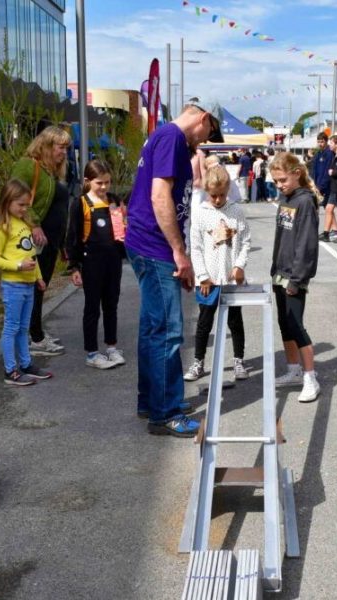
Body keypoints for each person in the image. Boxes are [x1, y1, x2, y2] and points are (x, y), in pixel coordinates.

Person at [125, 100, 222, 437]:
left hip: (149, 244)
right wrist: (179, 253)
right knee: (167, 329)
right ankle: (165, 412)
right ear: (203, 119)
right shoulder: (171, 137)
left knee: (154, 327)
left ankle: (152, 401)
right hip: (154, 246)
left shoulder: (168, 138)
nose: (205, 141)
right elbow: (159, 197)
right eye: (209, 132)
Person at [184, 165, 252, 382]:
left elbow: (246, 241)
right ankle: (198, 362)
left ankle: (239, 360)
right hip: (208, 280)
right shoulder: (201, 212)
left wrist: (239, 265)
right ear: (206, 191)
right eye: (213, 195)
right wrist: (202, 275)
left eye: (221, 195)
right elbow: (195, 247)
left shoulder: (237, 211)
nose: (217, 199)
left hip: (231, 278)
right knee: (204, 321)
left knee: (235, 321)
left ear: (228, 189)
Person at [11, 125, 72, 357]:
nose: (64, 152)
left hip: (48, 242)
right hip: (33, 240)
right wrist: (34, 223)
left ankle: (35, 331)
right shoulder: (29, 165)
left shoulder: (49, 171)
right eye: (60, 147)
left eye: (66, 148)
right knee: (33, 287)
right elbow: (14, 195)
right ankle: (33, 337)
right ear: (46, 146)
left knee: (39, 286)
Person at [0, 179, 52, 386]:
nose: (24, 209)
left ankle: (26, 363)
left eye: (27, 205)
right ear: (8, 202)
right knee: (11, 327)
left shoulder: (24, 224)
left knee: (24, 327)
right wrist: (17, 266)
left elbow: (31, 255)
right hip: (13, 285)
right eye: (20, 204)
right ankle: (10, 370)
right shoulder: (2, 227)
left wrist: (39, 278)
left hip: (28, 285)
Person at [66, 159, 127, 370]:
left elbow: (123, 227)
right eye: (99, 183)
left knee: (111, 305)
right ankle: (92, 352)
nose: (104, 187)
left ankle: (111, 346)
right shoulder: (80, 203)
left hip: (113, 261)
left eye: (107, 183)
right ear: (87, 181)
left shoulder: (114, 200)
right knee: (92, 307)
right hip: (91, 261)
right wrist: (74, 267)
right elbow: (72, 236)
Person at [269, 152, 320, 403]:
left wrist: (297, 279)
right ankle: (293, 370)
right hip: (280, 272)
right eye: (275, 182)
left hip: (294, 276)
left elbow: (306, 244)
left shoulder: (305, 202)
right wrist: (275, 270)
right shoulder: (286, 199)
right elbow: (282, 238)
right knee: (284, 322)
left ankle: (311, 377)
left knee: (297, 326)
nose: (279, 185)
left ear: (296, 173)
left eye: (282, 180)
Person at [311, 133, 334, 240]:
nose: (320, 144)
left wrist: (321, 186)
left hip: (326, 186)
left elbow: (327, 172)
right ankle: (335, 229)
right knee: (325, 209)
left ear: (326, 141)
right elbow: (313, 170)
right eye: (318, 141)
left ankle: (328, 232)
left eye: (322, 141)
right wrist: (313, 184)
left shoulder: (329, 154)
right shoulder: (318, 154)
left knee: (328, 209)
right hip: (316, 185)